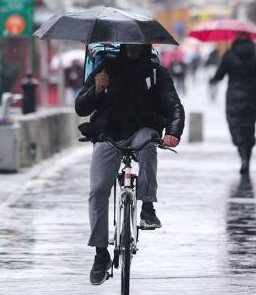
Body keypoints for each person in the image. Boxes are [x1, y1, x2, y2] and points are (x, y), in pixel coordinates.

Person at [75, 43, 185, 285]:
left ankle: (147, 208)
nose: (133, 47)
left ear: (144, 44)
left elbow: (174, 106)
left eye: (138, 43)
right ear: (124, 44)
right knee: (97, 191)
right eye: (130, 43)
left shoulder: (155, 72)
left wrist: (173, 132)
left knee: (148, 145)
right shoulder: (106, 67)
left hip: (142, 131)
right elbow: (81, 107)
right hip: (109, 135)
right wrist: (96, 88)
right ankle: (100, 254)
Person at [210, 32, 256, 174]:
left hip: (233, 97)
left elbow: (219, 75)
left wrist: (213, 79)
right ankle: (247, 158)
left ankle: (242, 154)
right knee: (249, 128)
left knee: (236, 127)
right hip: (251, 97)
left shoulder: (229, 55)